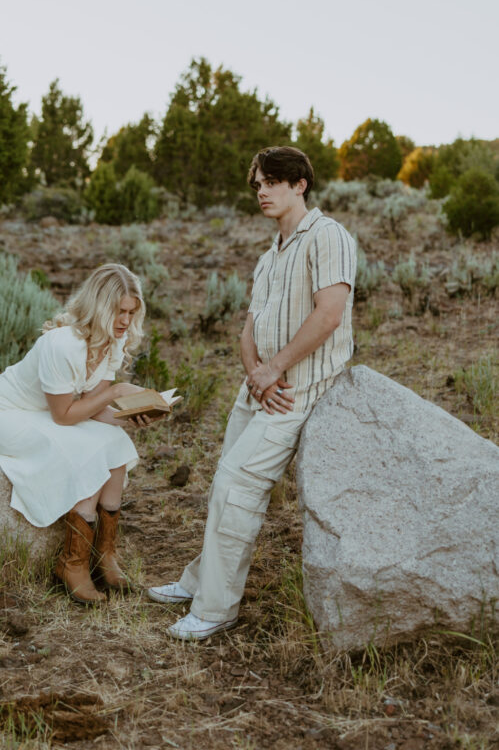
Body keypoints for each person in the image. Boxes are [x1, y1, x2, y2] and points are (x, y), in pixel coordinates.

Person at [148, 146, 357, 639]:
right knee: (224, 481)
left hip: (300, 391)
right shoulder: (270, 255)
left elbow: (329, 315)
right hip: (263, 389)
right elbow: (249, 326)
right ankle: (199, 582)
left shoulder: (329, 236)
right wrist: (256, 375)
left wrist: (276, 371)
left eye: (271, 182)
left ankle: (216, 610)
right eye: (258, 184)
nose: (261, 191)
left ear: (299, 184)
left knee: (236, 486)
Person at [0, 262, 151, 605]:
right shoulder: (63, 345)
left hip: (49, 413)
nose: (126, 321)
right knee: (85, 455)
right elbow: (66, 416)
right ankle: (72, 565)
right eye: (118, 311)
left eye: (131, 312)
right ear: (99, 307)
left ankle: (105, 553)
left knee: (115, 443)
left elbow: (91, 404)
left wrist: (130, 419)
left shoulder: (113, 341)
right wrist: (116, 394)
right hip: (5, 414)